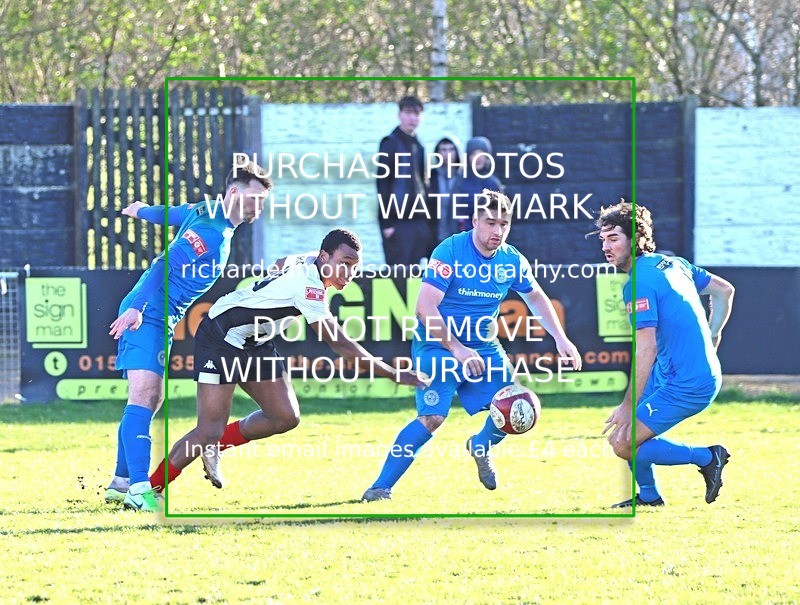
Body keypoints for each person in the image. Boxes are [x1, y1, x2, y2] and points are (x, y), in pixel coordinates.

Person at [148, 228, 429, 493]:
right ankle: (150, 489)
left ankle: (216, 445)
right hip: (220, 336)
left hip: (254, 340)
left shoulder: (311, 261)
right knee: (208, 430)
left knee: (284, 416)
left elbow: (282, 261)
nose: (349, 272)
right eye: (344, 263)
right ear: (324, 257)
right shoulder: (309, 288)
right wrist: (392, 372)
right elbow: (339, 342)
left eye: (354, 266)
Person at [362, 190, 582, 501]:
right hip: (438, 346)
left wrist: (561, 338)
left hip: (484, 347)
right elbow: (424, 308)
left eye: (504, 224)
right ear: (474, 221)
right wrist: (458, 350)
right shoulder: (450, 251)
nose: (497, 231)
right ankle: (379, 487)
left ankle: (481, 444)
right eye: (490, 222)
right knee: (432, 418)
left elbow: (535, 297)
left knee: (519, 406)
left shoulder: (511, 259)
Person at [105, 160, 273, 511]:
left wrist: (142, 211)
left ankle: (121, 482)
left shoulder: (207, 211)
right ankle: (138, 488)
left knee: (151, 399)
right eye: (253, 197)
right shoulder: (212, 231)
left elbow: (173, 212)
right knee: (145, 395)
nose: (257, 206)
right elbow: (163, 264)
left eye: (262, 200)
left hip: (159, 314)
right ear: (233, 192)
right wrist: (136, 307)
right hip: (147, 313)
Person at [596, 200, 735, 507]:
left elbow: (647, 346)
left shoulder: (638, 283)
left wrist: (627, 404)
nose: (606, 247)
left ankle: (707, 457)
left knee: (624, 444)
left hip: (688, 383)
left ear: (636, 238)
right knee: (623, 437)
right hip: (674, 372)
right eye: (603, 239)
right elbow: (724, 290)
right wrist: (714, 335)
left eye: (614, 238)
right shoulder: (674, 263)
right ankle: (649, 497)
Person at [376, 95, 432, 265]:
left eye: (416, 114)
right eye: (408, 113)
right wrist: (386, 224)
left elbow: (423, 184)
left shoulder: (419, 146)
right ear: (399, 114)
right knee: (398, 276)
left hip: (419, 223)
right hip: (398, 224)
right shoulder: (390, 143)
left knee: (415, 276)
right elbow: (382, 184)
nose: (412, 118)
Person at [450, 136, 504, 233]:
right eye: (474, 154)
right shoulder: (460, 181)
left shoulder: (493, 183)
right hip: (464, 236)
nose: (478, 158)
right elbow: (453, 214)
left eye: (481, 154)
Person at [428, 136, 462, 247]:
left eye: (451, 149)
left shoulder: (463, 176)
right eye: (443, 150)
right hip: (436, 236)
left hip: (459, 236)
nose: (447, 153)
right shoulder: (431, 176)